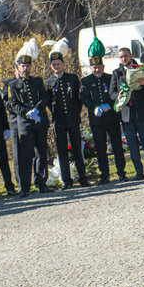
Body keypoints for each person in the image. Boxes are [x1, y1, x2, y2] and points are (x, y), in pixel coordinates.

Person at [8, 41, 54, 197]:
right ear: (18, 68)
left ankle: (41, 183)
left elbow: (45, 96)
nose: (25, 68)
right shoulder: (13, 85)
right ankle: (25, 187)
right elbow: (13, 104)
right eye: (23, 66)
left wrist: (37, 110)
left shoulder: (37, 81)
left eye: (28, 66)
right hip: (25, 125)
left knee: (41, 153)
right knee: (26, 156)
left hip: (40, 122)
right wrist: (27, 113)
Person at [80, 37, 127, 185]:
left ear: (103, 66)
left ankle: (121, 172)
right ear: (90, 68)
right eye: (94, 68)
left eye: (99, 67)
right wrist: (94, 107)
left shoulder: (109, 77)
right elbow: (84, 98)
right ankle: (104, 175)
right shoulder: (86, 81)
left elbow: (114, 93)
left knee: (117, 146)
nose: (97, 69)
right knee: (100, 149)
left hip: (112, 117)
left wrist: (110, 104)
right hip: (97, 120)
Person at [45, 43, 90, 189]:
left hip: (72, 119)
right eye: (54, 64)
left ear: (63, 64)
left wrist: (75, 113)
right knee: (62, 151)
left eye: (59, 63)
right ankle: (67, 180)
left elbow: (78, 99)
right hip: (58, 121)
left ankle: (83, 178)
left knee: (77, 149)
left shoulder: (72, 78)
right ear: (51, 66)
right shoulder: (49, 82)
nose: (57, 66)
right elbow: (49, 103)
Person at [110, 47, 144, 180]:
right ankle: (139, 172)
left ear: (131, 55)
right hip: (126, 113)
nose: (124, 59)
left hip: (141, 111)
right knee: (132, 144)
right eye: (121, 57)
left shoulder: (141, 69)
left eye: (126, 56)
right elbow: (111, 93)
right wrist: (119, 95)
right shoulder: (117, 73)